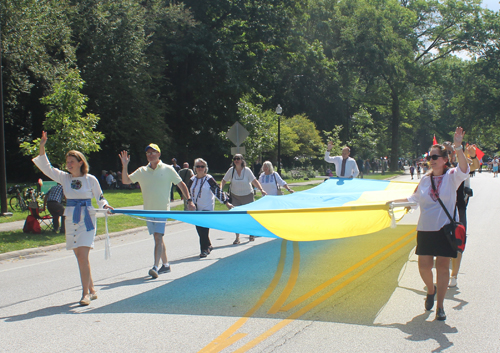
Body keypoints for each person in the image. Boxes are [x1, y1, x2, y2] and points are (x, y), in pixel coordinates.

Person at [388, 127, 469, 321]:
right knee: (424, 266)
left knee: (442, 267)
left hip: (444, 230)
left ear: (443, 159)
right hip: (425, 229)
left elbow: (465, 169)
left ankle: (440, 306)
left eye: (435, 157)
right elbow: (413, 198)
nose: (431, 160)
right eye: (429, 157)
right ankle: (430, 290)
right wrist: (393, 203)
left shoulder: (452, 176)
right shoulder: (424, 180)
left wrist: (458, 147)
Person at [33, 132, 113, 306]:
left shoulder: (90, 179)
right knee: (79, 256)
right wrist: (42, 146)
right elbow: (46, 167)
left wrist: (105, 207)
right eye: (67, 162)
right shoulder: (64, 178)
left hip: (87, 219)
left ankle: (85, 294)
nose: (68, 164)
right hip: (71, 218)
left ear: (80, 162)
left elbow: (100, 198)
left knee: (83, 255)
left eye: (72, 161)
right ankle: (92, 289)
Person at [119, 144, 195, 279]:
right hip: (148, 212)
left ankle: (155, 266)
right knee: (157, 237)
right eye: (148, 153)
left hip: (162, 211)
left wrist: (189, 200)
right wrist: (125, 165)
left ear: (159, 154)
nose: (150, 155)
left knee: (158, 237)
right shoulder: (142, 171)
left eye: (153, 152)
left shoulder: (168, 169)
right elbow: (125, 180)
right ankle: (165, 264)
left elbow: (181, 184)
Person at [442, 142, 480, 288]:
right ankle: (443, 272)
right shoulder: (443, 170)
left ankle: (454, 276)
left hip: (459, 210)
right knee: (443, 243)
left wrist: (474, 155)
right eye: (448, 151)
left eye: (452, 150)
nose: (451, 153)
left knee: (457, 243)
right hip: (443, 210)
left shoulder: (459, 170)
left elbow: (475, 166)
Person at [187, 158, 233, 257]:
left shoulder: (208, 179)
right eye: (198, 166)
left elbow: (217, 192)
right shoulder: (192, 180)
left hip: (207, 208)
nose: (200, 168)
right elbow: (188, 193)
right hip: (196, 209)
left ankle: (204, 250)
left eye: (202, 166)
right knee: (199, 229)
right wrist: (189, 202)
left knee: (203, 228)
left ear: (205, 168)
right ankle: (208, 245)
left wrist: (226, 203)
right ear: (195, 168)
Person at [220, 154, 267, 244]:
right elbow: (223, 180)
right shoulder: (231, 170)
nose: (236, 160)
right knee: (236, 217)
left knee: (249, 216)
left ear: (242, 160)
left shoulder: (247, 170)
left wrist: (261, 190)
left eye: (238, 159)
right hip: (235, 196)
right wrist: (220, 189)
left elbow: (254, 181)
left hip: (247, 195)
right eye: (235, 159)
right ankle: (237, 238)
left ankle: (251, 233)